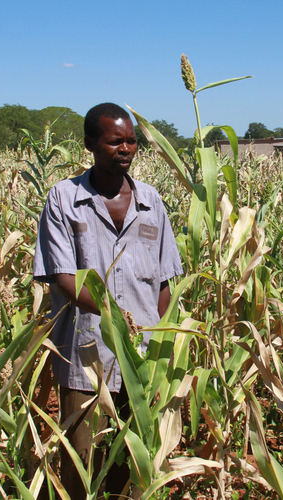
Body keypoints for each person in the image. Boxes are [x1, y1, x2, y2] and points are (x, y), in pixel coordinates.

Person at [33, 103, 183, 496]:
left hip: (141, 356)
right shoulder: (64, 199)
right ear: (90, 144)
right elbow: (62, 276)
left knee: (129, 462)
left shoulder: (151, 202)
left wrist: (157, 337)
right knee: (82, 462)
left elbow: (165, 282)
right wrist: (115, 318)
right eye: (115, 141)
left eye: (132, 141)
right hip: (85, 355)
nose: (126, 148)